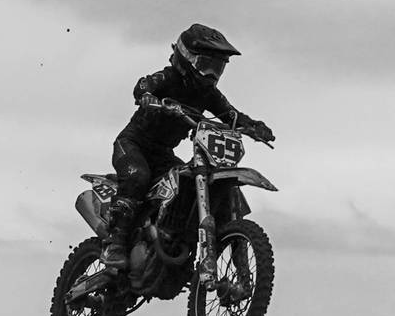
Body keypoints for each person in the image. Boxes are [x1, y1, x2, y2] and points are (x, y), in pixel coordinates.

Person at [104, 23, 275, 268]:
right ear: (186, 59)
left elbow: (231, 115)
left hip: (163, 155)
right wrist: (149, 97)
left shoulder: (208, 94)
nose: (211, 75)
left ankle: (234, 261)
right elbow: (143, 85)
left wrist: (253, 126)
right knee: (137, 177)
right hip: (134, 145)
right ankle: (115, 244)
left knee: (189, 184)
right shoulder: (169, 78)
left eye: (217, 68)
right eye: (206, 65)